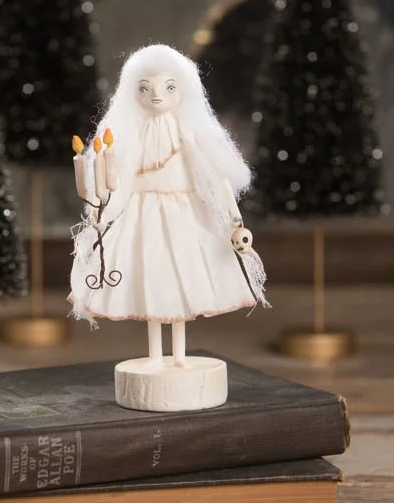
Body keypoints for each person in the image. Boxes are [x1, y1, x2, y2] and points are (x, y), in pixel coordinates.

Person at [69, 44, 268, 365]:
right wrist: (101, 213)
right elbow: (119, 177)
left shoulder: (188, 131)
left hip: (184, 211)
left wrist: (235, 220)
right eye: (145, 89)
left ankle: (179, 355)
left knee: (181, 273)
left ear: (183, 90)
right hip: (143, 212)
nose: (157, 96)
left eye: (169, 88)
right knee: (150, 273)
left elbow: (216, 174)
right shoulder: (131, 134)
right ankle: (156, 356)